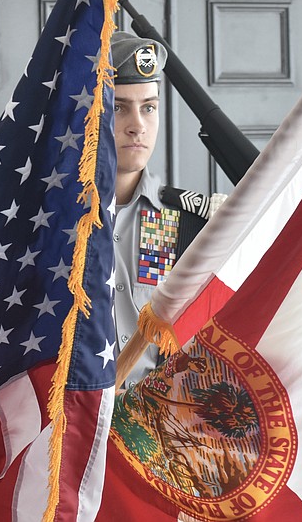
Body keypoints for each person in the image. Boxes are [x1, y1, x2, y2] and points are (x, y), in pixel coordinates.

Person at [111, 32, 224, 387]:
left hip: (163, 415)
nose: (137, 126)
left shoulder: (190, 222)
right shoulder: (50, 223)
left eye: (149, 107)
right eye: (117, 107)